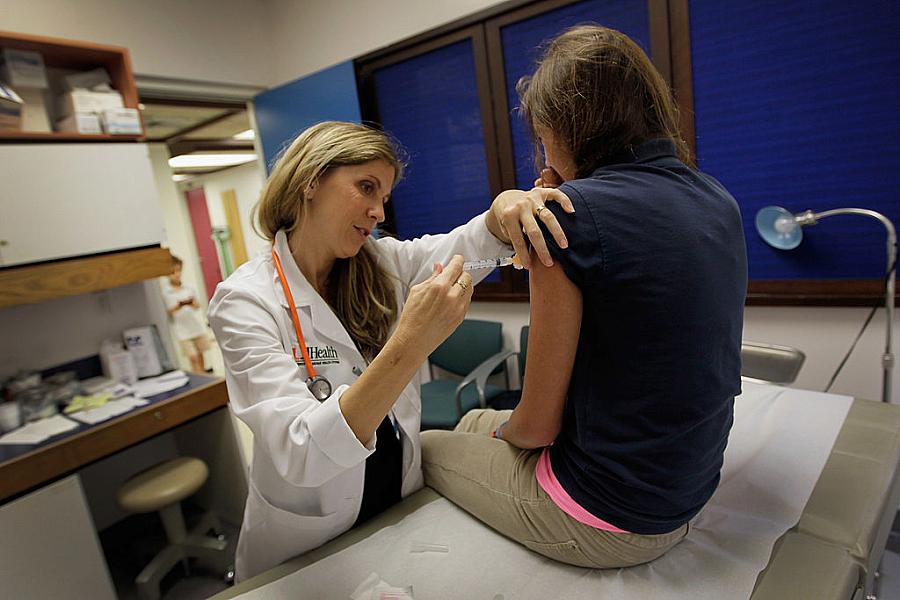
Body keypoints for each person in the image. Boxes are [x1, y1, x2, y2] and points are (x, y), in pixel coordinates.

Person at [422, 25, 748, 569]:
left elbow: (536, 429)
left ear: (565, 128)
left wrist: (507, 429)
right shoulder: (716, 198)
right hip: (688, 487)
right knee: (473, 424)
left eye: (543, 138)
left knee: (431, 444)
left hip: (612, 519)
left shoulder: (568, 218)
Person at [206, 121, 573, 581]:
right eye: (366, 188)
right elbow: (302, 450)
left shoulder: (380, 263)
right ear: (310, 181)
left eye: (384, 197)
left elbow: (470, 248)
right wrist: (412, 342)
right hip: (307, 547)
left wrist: (503, 211)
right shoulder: (245, 301)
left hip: (395, 499)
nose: (379, 211)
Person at [162, 255, 211, 373]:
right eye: (173, 271)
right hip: (182, 330)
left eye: (178, 270)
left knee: (200, 355)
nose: (176, 274)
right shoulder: (165, 292)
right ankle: (199, 378)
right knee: (193, 357)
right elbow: (168, 312)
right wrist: (178, 306)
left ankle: (203, 375)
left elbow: (198, 305)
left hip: (195, 325)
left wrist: (190, 303)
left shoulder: (189, 288)